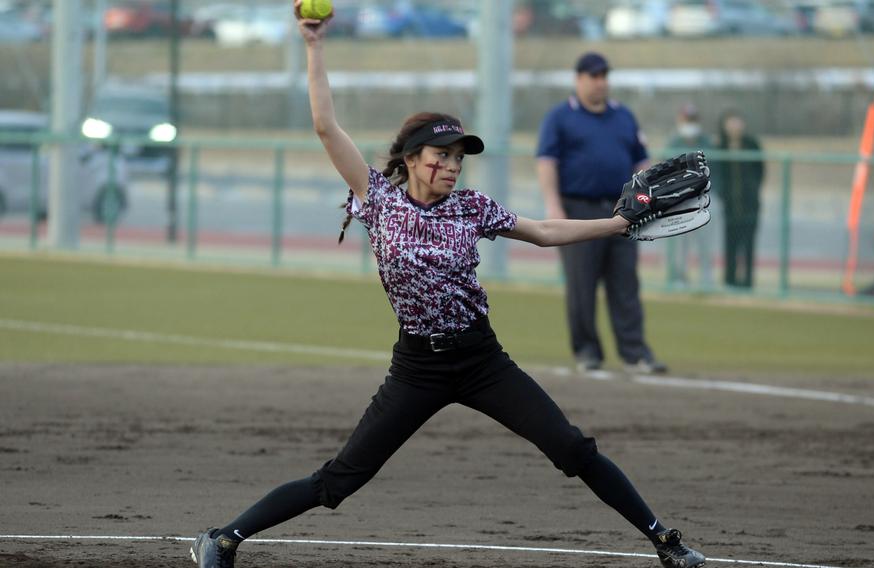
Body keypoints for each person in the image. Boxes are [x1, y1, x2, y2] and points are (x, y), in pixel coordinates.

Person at [188, 8, 706, 568]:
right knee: (339, 481)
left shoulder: (471, 206)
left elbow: (542, 231)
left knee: (571, 448)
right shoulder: (378, 200)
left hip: (483, 359)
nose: (452, 166)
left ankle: (666, 544)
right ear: (411, 159)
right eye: (441, 156)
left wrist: (618, 224)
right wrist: (313, 47)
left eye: (458, 158)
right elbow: (325, 127)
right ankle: (222, 539)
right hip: (417, 368)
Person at [536, 52, 666, 375]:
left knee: (625, 283)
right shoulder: (560, 117)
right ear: (578, 79)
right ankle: (587, 351)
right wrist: (553, 204)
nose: (600, 82)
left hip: (621, 210)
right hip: (578, 208)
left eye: (604, 76)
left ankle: (635, 352)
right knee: (582, 284)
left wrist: (645, 199)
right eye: (593, 76)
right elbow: (547, 162)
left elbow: (641, 161)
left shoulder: (623, 116)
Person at [714, 109, 764, 289]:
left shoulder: (752, 144)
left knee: (749, 244)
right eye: (730, 122)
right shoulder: (720, 146)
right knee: (730, 244)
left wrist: (753, 190)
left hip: (750, 205)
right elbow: (716, 173)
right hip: (730, 205)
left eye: (737, 121)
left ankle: (748, 281)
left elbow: (760, 171)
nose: (734, 126)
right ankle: (730, 280)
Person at [666, 103, 714, 290]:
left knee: (705, 242)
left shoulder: (707, 143)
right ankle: (679, 278)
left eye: (692, 120)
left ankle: (706, 280)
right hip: (680, 201)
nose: (689, 124)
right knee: (679, 243)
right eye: (686, 120)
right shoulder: (673, 143)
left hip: (704, 199)